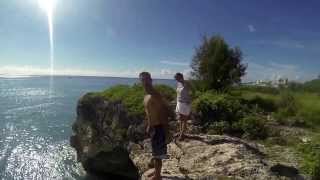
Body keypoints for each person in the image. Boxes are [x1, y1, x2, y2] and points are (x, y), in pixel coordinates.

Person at [139, 72, 169, 180]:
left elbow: (163, 112)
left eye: (147, 79)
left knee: (158, 155)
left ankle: (158, 176)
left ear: (151, 80)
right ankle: (157, 172)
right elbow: (149, 113)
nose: (145, 82)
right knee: (155, 152)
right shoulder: (146, 96)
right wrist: (149, 125)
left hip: (159, 127)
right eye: (143, 80)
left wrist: (167, 131)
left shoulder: (156, 95)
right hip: (152, 127)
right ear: (140, 81)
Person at [174, 73, 192, 140]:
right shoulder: (179, 84)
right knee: (180, 119)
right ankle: (180, 132)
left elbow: (192, 92)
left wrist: (189, 99)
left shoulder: (186, 83)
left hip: (185, 104)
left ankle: (182, 135)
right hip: (179, 103)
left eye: (176, 78)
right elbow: (178, 93)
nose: (176, 79)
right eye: (175, 78)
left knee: (184, 120)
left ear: (180, 77)